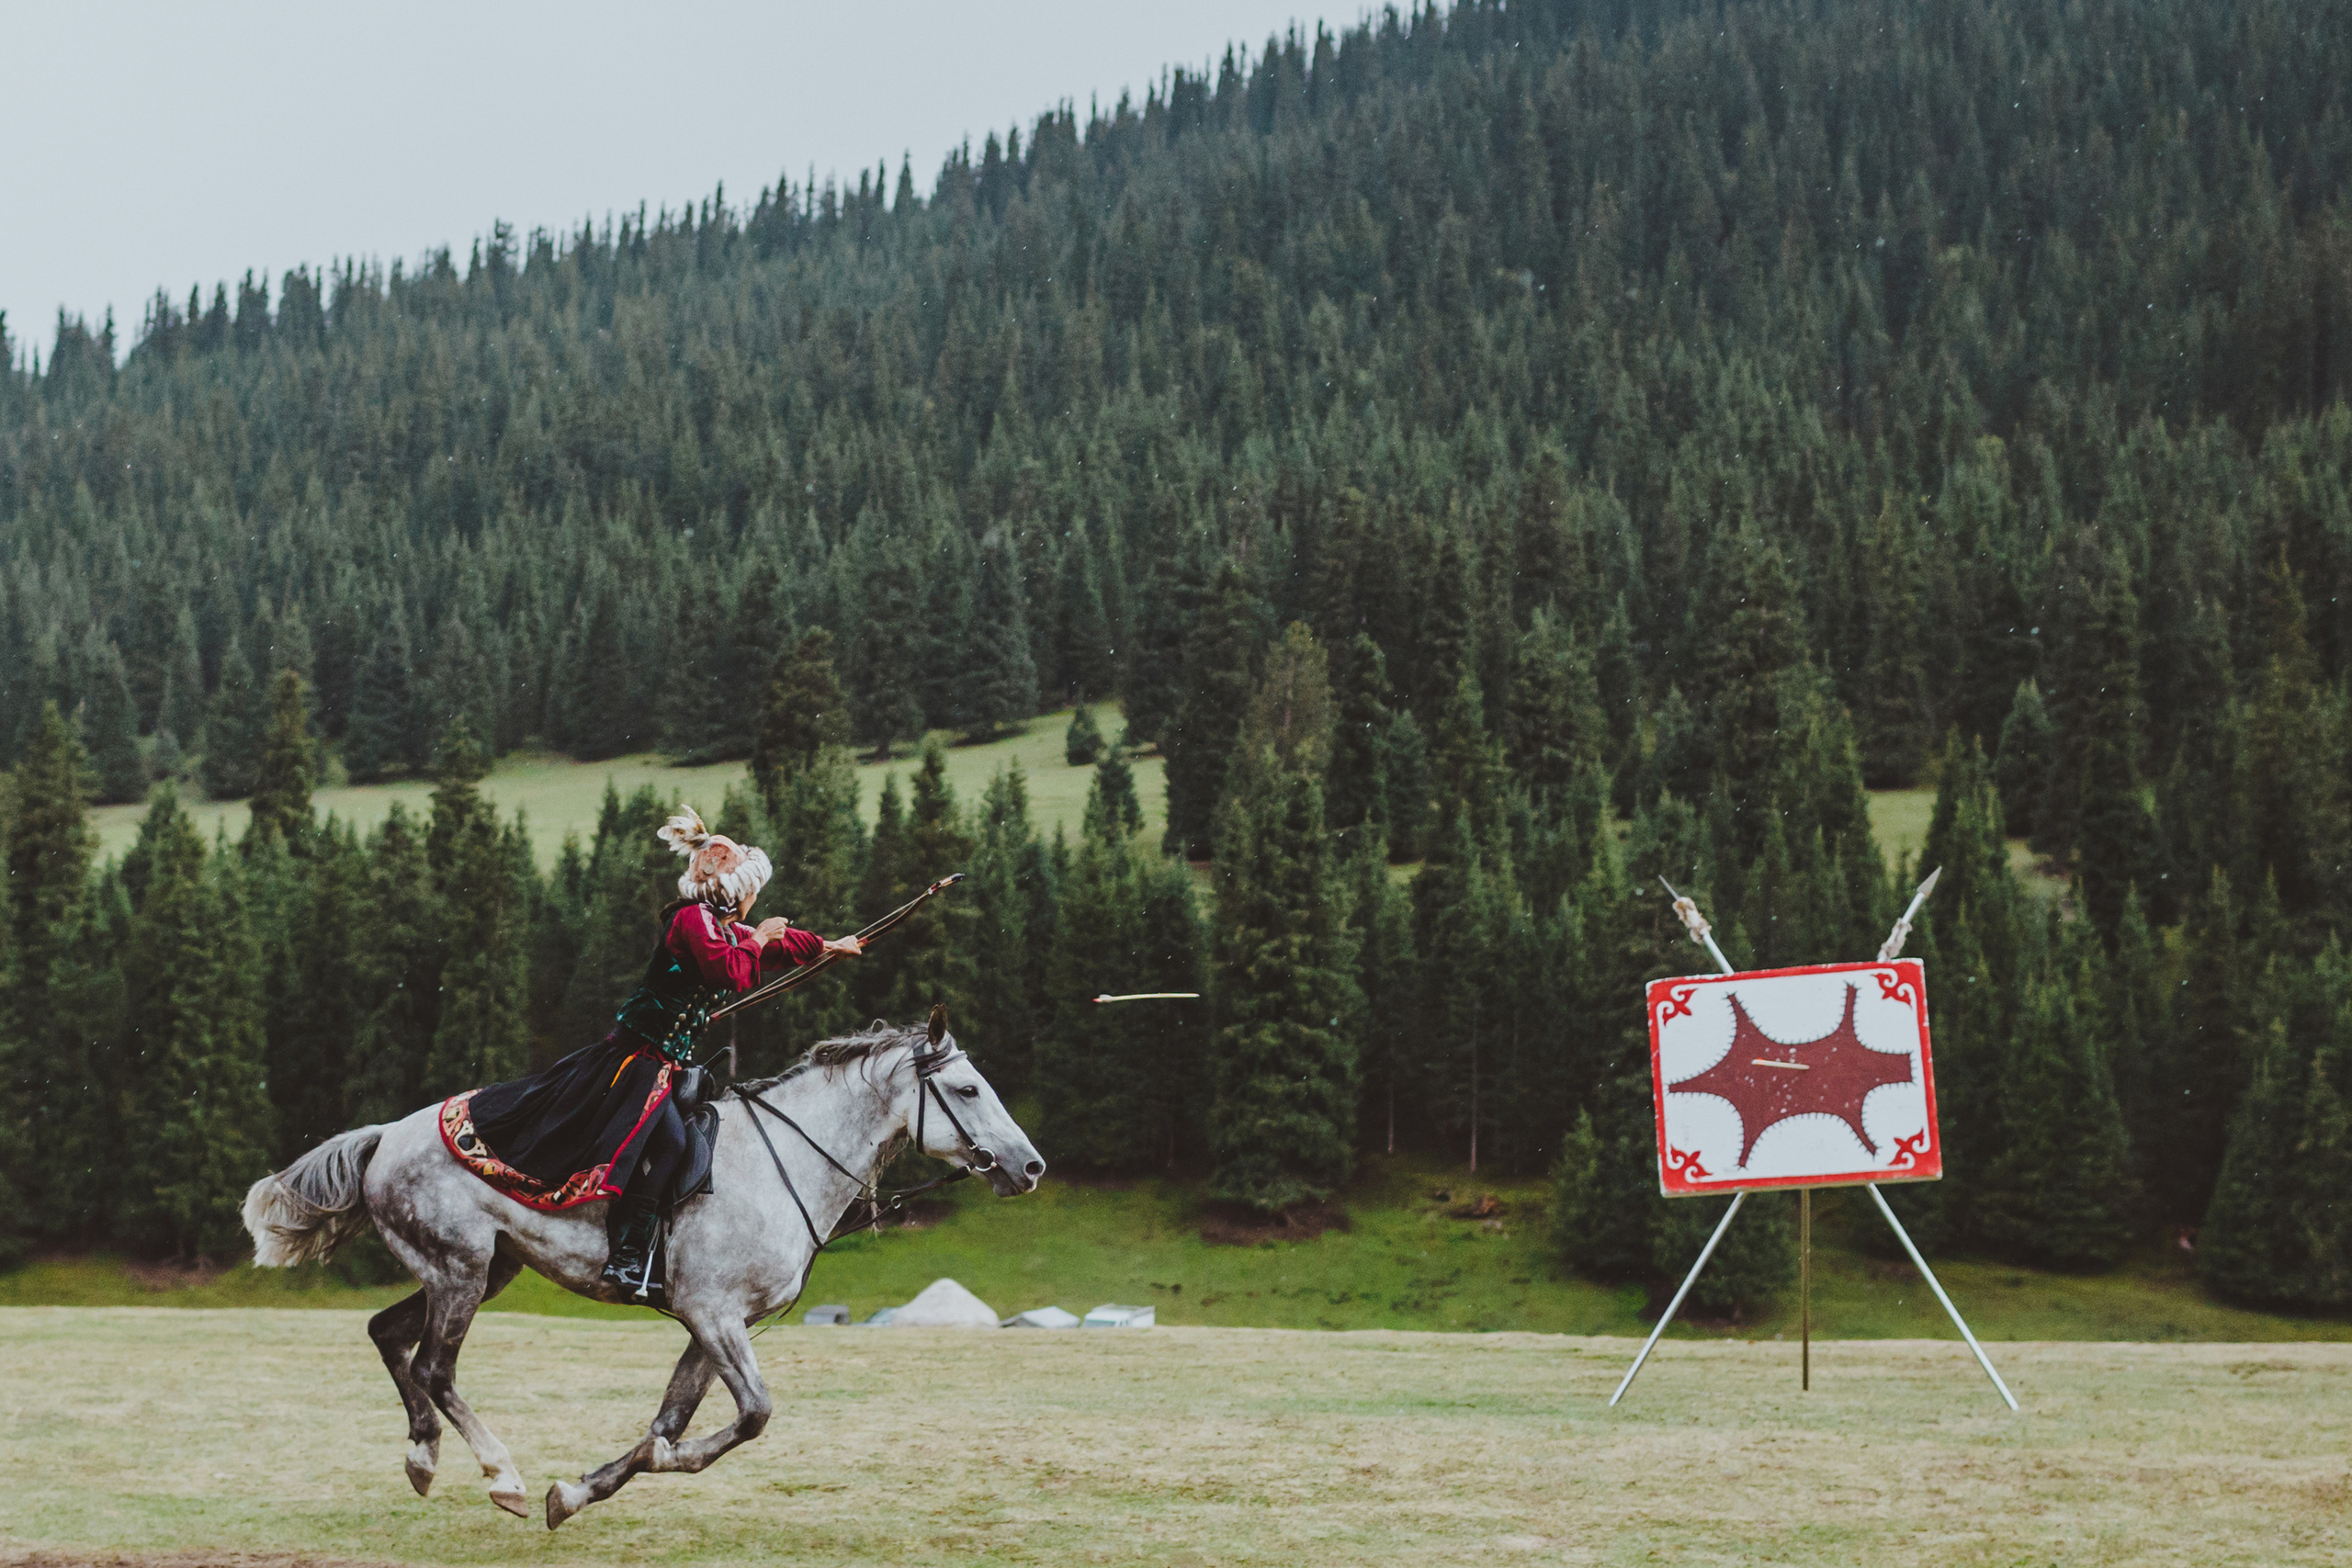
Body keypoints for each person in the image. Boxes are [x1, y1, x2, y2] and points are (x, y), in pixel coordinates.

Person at [464, 806, 863, 1292]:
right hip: (636, 1063)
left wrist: (828, 945)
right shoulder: (692, 921)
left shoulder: (718, 924)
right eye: (754, 888)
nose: (757, 899)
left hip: (664, 1065)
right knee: (671, 1144)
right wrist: (759, 938)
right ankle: (626, 1256)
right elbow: (728, 971)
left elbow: (779, 946)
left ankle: (658, 1248)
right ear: (736, 890)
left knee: (687, 1142)